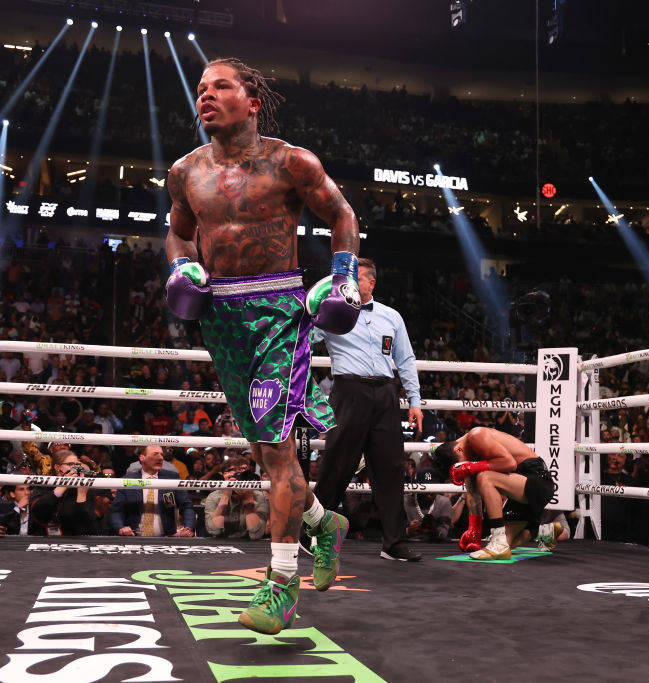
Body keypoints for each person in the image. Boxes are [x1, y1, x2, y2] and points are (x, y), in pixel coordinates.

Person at [165, 57, 361, 634]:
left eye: (220, 86)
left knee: (276, 452)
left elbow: (342, 213)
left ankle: (280, 585)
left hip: (278, 309)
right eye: (200, 89)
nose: (205, 95)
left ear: (251, 101)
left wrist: (344, 274)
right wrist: (181, 269)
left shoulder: (290, 161)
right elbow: (178, 232)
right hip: (220, 315)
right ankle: (324, 524)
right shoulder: (184, 172)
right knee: (262, 451)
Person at [312, 257, 424, 562]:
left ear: (371, 282)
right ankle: (310, 532)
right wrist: (312, 311)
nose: (349, 284)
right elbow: (306, 340)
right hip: (349, 391)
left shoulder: (391, 316)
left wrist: (414, 401)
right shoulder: (334, 311)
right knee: (337, 465)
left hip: (386, 394)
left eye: (356, 278)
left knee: (390, 468)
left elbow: (406, 360)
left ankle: (393, 543)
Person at [433, 427, 560, 559]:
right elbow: (473, 494)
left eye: (461, 464)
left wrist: (471, 467)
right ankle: (545, 533)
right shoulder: (466, 455)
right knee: (507, 541)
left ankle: (499, 544)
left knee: (485, 477)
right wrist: (474, 530)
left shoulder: (477, 436)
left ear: (458, 449)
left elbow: (510, 463)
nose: (466, 467)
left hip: (537, 480)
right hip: (518, 488)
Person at [110, 445, 196, 538]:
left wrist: (188, 528)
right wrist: (121, 528)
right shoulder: (129, 479)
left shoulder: (171, 478)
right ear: (142, 458)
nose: (160, 458)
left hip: (167, 539)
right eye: (155, 454)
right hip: (133, 538)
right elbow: (117, 510)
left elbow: (186, 506)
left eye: (161, 454)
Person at [30, 450, 104, 536]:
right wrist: (62, 486)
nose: (75, 468)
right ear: (58, 467)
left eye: (77, 465)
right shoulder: (45, 484)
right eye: (70, 464)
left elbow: (86, 527)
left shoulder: (83, 488)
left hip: (72, 540)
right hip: (42, 539)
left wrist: (81, 496)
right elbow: (38, 511)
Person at [205, 456, 270, 539]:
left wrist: (248, 499)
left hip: (250, 547)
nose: (240, 478)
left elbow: (256, 534)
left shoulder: (259, 497)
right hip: (222, 546)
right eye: (236, 472)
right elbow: (214, 530)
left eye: (244, 473)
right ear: (225, 475)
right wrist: (226, 495)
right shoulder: (214, 497)